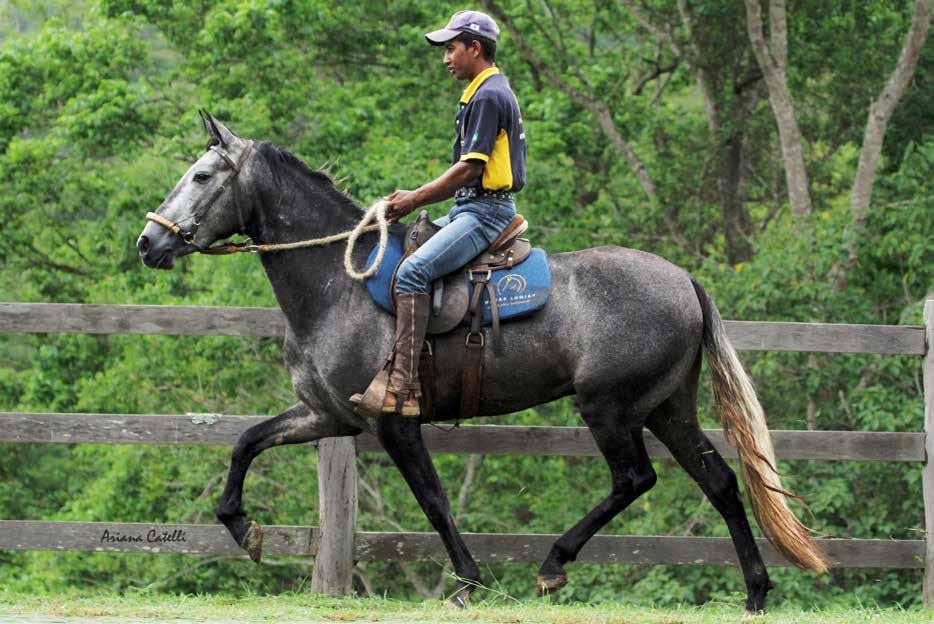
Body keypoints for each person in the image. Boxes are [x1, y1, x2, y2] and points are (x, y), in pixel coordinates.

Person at [357, 9, 527, 418]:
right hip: (471, 206)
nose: (447, 58)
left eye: (452, 48)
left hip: (486, 212)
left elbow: (470, 168)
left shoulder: (488, 96)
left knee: (414, 272)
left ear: (475, 48)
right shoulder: (483, 93)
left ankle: (403, 388)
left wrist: (415, 198)